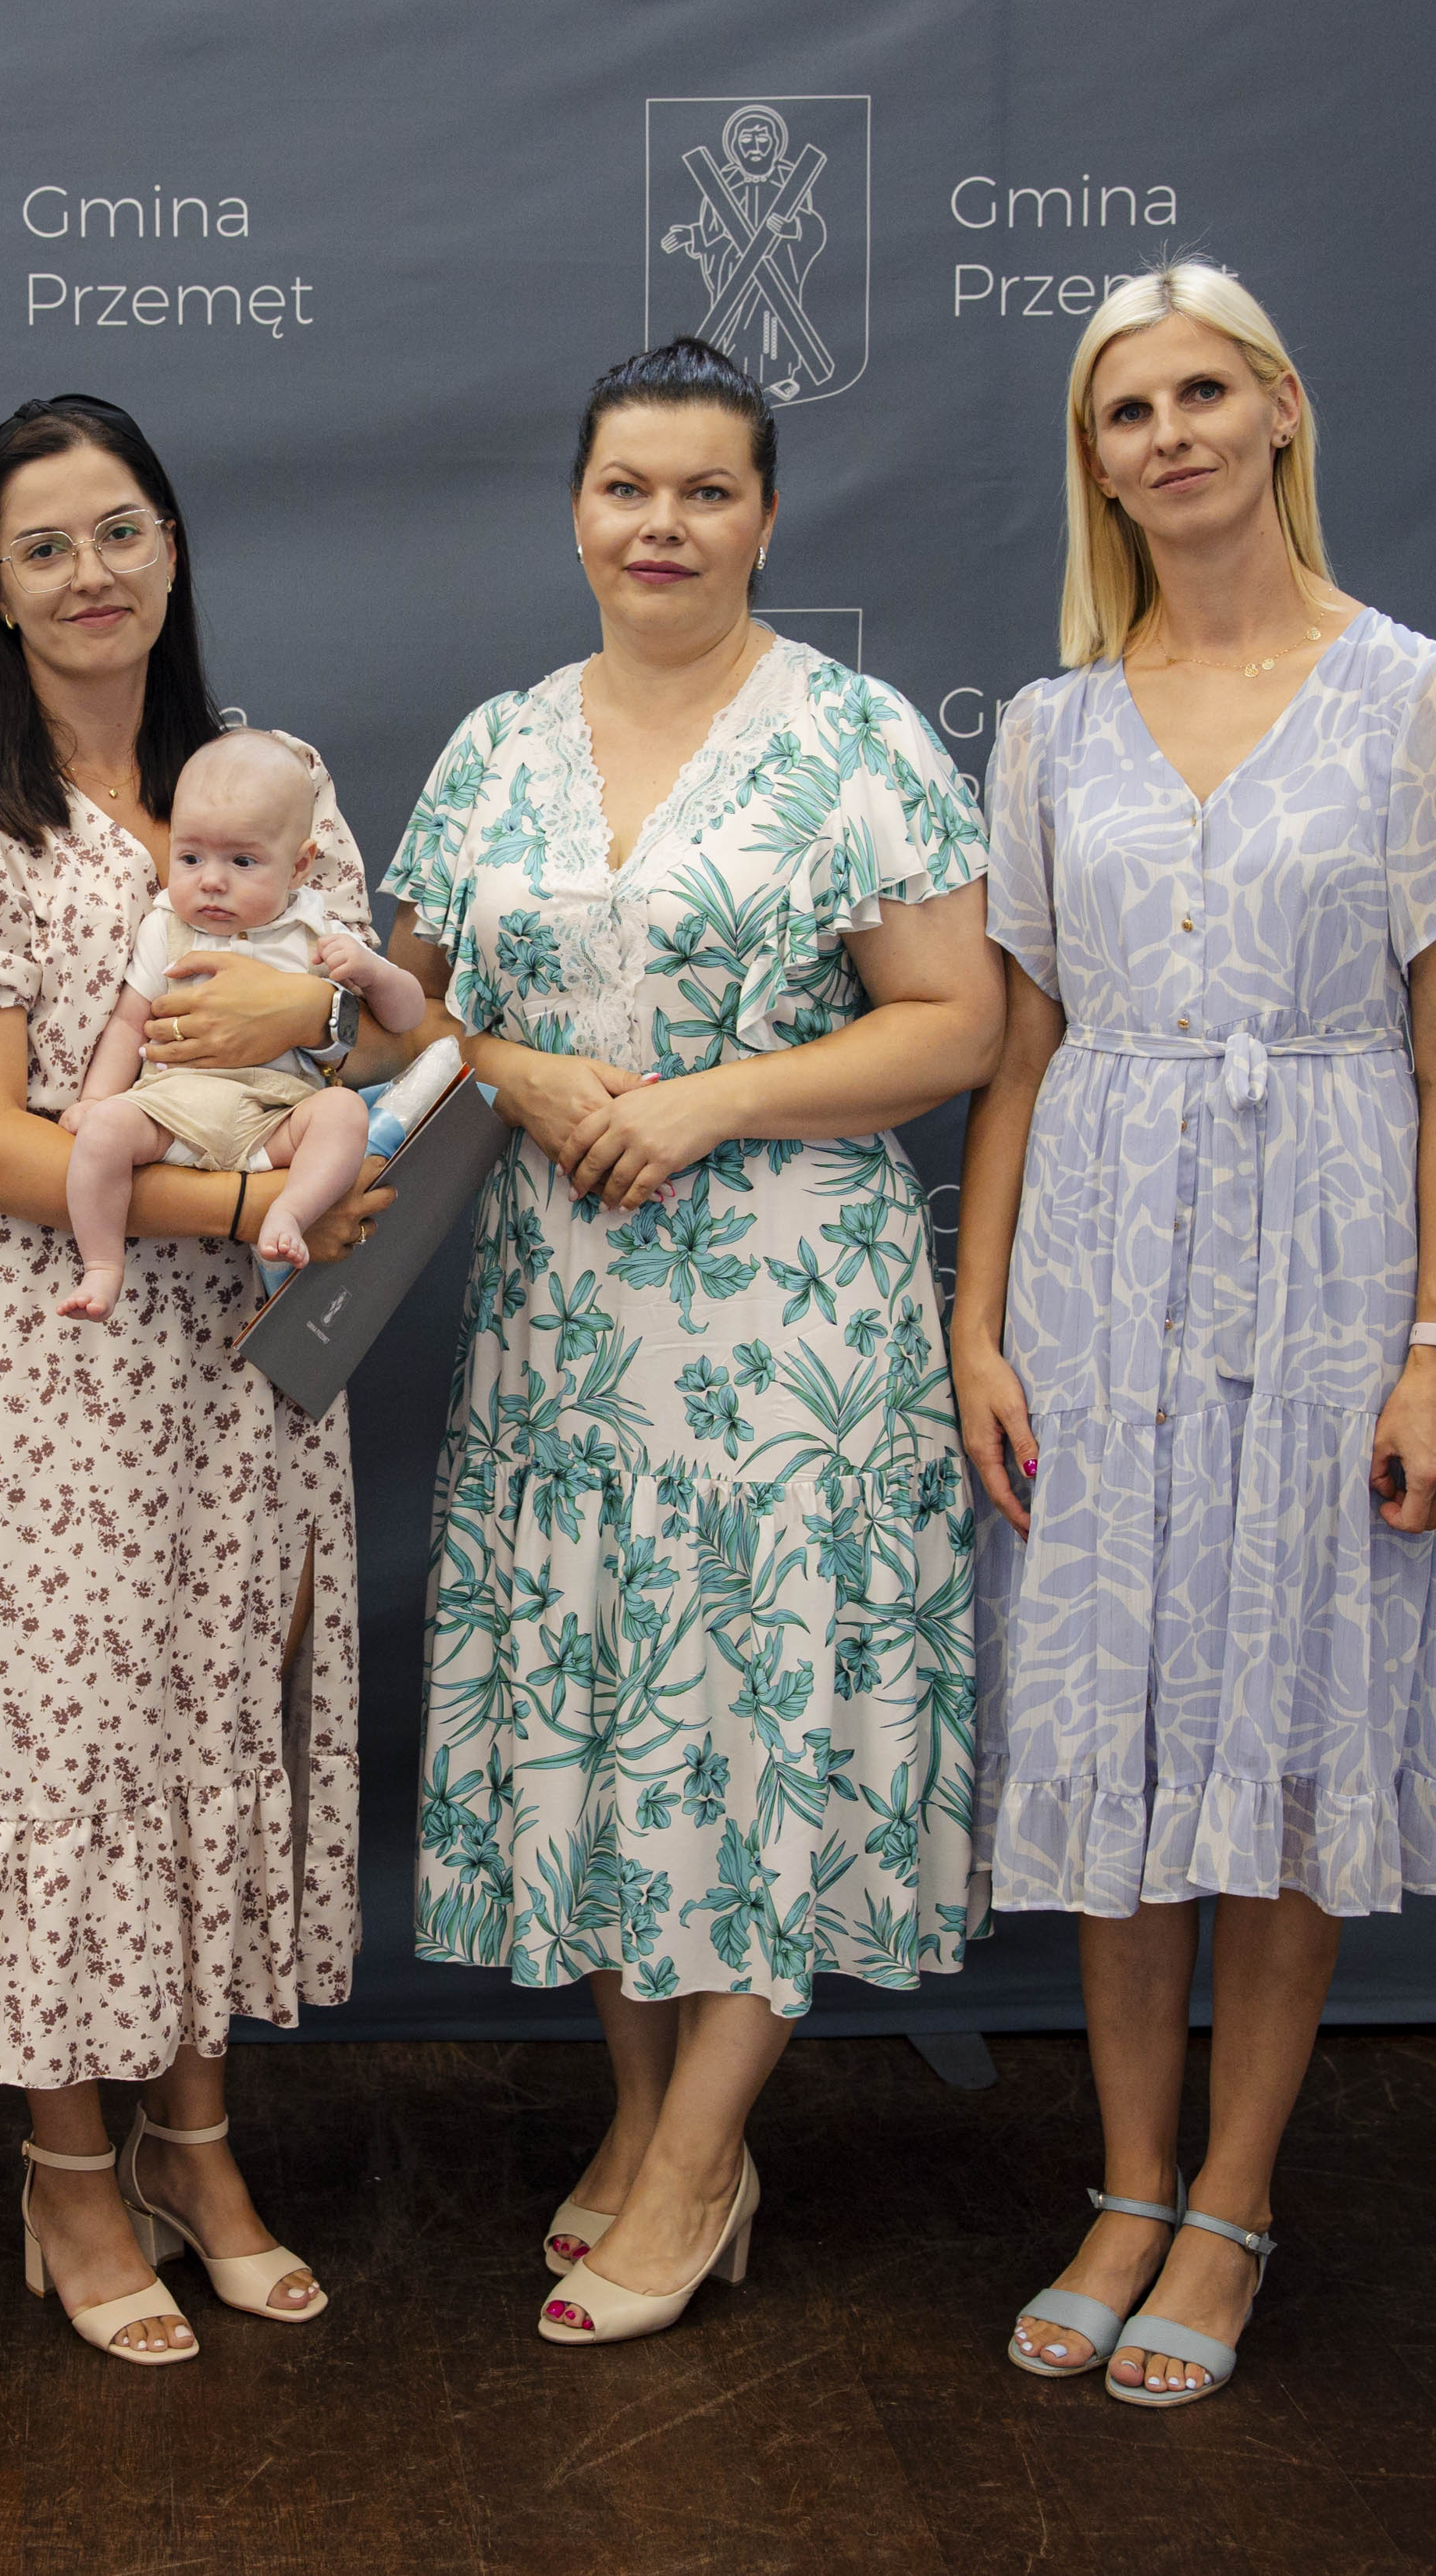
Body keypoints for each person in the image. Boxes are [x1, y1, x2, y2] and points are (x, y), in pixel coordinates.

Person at [372, 337, 1003, 2347]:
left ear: (765, 517)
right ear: (576, 509)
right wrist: (519, 1067)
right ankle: (646, 2117)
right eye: (626, 487)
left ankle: (700, 2149)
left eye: (704, 490)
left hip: (789, 1327)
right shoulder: (493, 747)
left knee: (762, 1711)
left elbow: (956, 1020)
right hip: (562, 1324)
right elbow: (401, 1011)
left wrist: (712, 1099)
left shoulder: (854, 736)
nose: (661, 525)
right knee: (604, 1704)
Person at [953, 259, 1436, 2408]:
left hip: (1328, 1267)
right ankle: (1123, 2184)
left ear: (1280, 408)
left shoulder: (1420, 698)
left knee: (1287, 1732)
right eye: (1125, 411)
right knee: (1114, 1732)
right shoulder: (1047, 727)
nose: (1168, 434)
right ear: (1092, 464)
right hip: (1094, 1273)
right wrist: (974, 1329)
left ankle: (1232, 2199)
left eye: (1203, 392)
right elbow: (1018, 1054)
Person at [0, 394, 390, 2367]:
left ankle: (196, 2145)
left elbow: (378, 1040)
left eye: (122, 529)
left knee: (206, 1737)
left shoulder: (273, 791)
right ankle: (66, 2171)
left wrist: (330, 1032)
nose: (92, 573)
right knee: (64, 1758)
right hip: (62, 1380)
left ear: (171, 547)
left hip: (254, 1378)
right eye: (45, 545)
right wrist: (242, 1195)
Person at [57, 726, 428, 1317]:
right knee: (101, 1135)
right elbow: (128, 1023)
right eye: (190, 857)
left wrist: (373, 973)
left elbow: (408, 1018)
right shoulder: (164, 927)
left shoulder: (317, 933)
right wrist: (98, 1098)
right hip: (173, 1109)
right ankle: (102, 1264)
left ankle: (289, 1211)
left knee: (342, 1113)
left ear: (299, 866)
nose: (211, 880)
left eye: (243, 861)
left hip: (277, 1117)